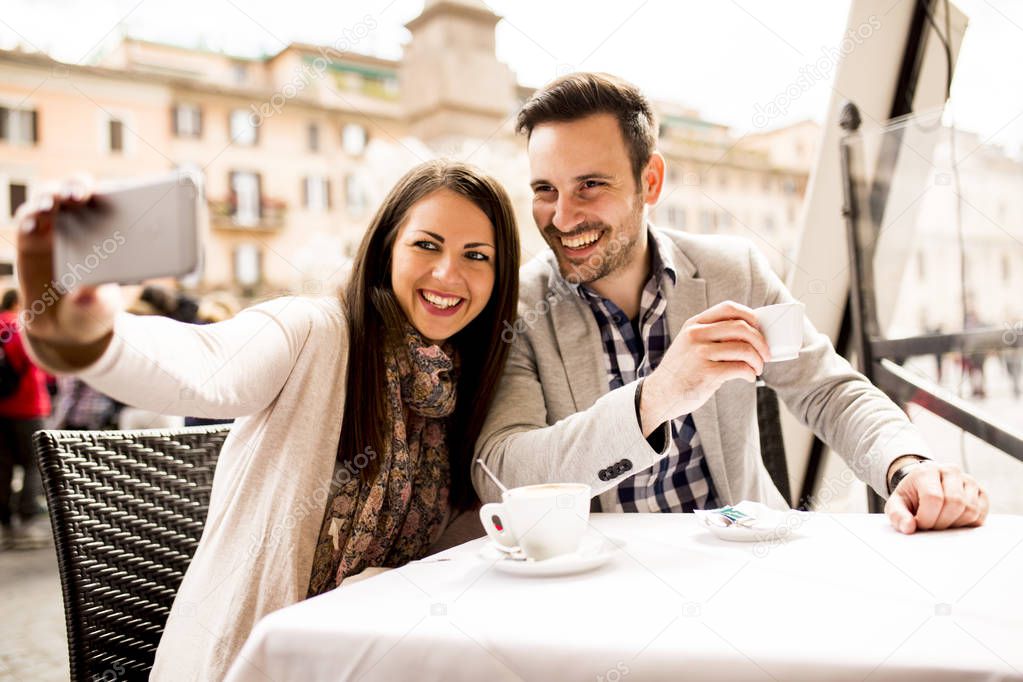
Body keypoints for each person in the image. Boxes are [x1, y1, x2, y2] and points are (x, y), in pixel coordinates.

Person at [13, 160, 520, 679]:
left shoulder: (464, 381)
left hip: (375, 659)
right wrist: (85, 331)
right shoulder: (314, 329)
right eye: (426, 245)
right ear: (387, 247)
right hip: (253, 664)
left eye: (476, 256)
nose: (447, 275)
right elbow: (207, 366)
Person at [474, 72, 988, 535]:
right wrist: (655, 398)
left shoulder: (732, 272)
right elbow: (500, 471)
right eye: (545, 189)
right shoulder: (517, 307)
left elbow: (828, 391)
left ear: (649, 181)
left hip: (740, 565)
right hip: (601, 580)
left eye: (590, 185)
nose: (562, 218)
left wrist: (908, 465)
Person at [0, 289, 53, 549]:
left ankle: (4, 523)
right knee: (35, 462)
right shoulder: (21, 326)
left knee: (3, 465)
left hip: (1, 409)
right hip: (27, 405)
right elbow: (43, 362)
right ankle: (27, 517)